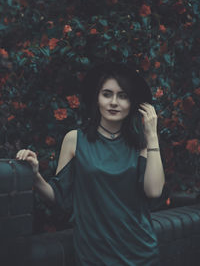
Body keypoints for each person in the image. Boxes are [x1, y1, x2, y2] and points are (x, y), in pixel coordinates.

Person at [16, 62, 165, 265]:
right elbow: (60, 198)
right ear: (97, 98)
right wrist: (35, 176)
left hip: (140, 252)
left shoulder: (141, 143)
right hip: (94, 254)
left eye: (123, 96)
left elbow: (154, 191)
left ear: (133, 103)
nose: (114, 102)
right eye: (107, 94)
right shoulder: (75, 140)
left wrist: (152, 137)